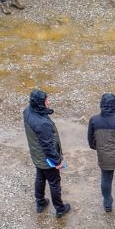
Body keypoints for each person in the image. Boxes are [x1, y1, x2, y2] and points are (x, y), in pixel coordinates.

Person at [23, 89, 71, 218]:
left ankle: (40, 203)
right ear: (40, 103)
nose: (49, 102)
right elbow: (49, 146)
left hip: (37, 156)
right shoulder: (42, 123)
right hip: (46, 159)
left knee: (40, 177)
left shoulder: (27, 112)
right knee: (54, 183)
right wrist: (57, 162)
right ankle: (60, 209)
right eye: (46, 100)